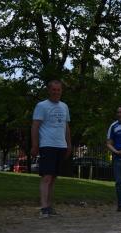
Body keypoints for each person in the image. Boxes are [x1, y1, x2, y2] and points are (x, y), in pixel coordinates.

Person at [31, 80, 72, 218]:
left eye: (58, 90)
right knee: (47, 177)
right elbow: (35, 126)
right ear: (49, 90)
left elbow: (66, 127)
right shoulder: (41, 106)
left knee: (53, 177)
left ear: (61, 91)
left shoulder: (64, 106)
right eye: (53, 89)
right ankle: (43, 207)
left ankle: (49, 205)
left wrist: (69, 144)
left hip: (61, 145)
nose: (56, 92)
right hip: (47, 144)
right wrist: (35, 145)